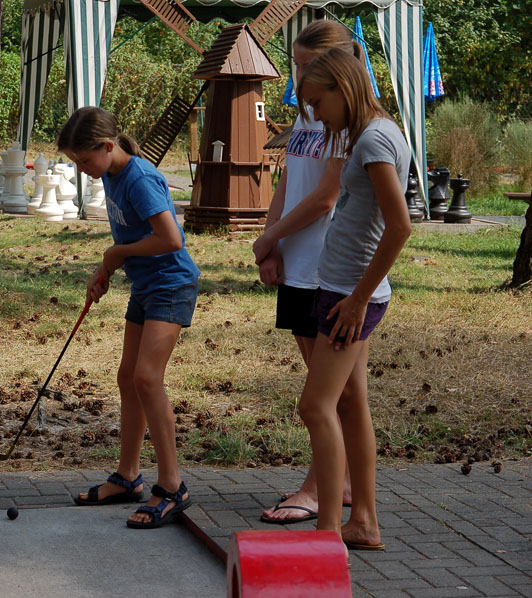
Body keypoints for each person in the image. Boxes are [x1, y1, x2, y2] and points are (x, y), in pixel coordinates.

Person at [58, 106, 200, 528]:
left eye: (84, 160)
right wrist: (107, 268)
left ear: (107, 146)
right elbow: (132, 238)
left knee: (147, 378)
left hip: (171, 285)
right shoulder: (112, 175)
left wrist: (117, 253)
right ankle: (128, 476)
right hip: (145, 285)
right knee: (128, 378)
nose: (82, 169)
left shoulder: (139, 179)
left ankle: (172, 486)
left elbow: (171, 239)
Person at [295, 47, 412, 550]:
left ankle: (327, 534)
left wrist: (359, 299)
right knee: (349, 401)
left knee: (315, 407)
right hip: (347, 290)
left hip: (349, 297)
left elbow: (400, 226)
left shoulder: (374, 141)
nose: (315, 115)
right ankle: (362, 521)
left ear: (342, 89)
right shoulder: (374, 133)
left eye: (317, 103)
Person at [251, 20, 363, 525]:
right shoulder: (306, 114)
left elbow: (325, 197)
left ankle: (317, 491)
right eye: (296, 65)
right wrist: (270, 244)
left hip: (328, 270)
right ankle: (343, 484)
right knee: (338, 393)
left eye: (307, 66)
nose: (300, 78)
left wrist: (272, 237)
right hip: (295, 265)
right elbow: (289, 182)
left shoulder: (345, 121)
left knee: (328, 395)